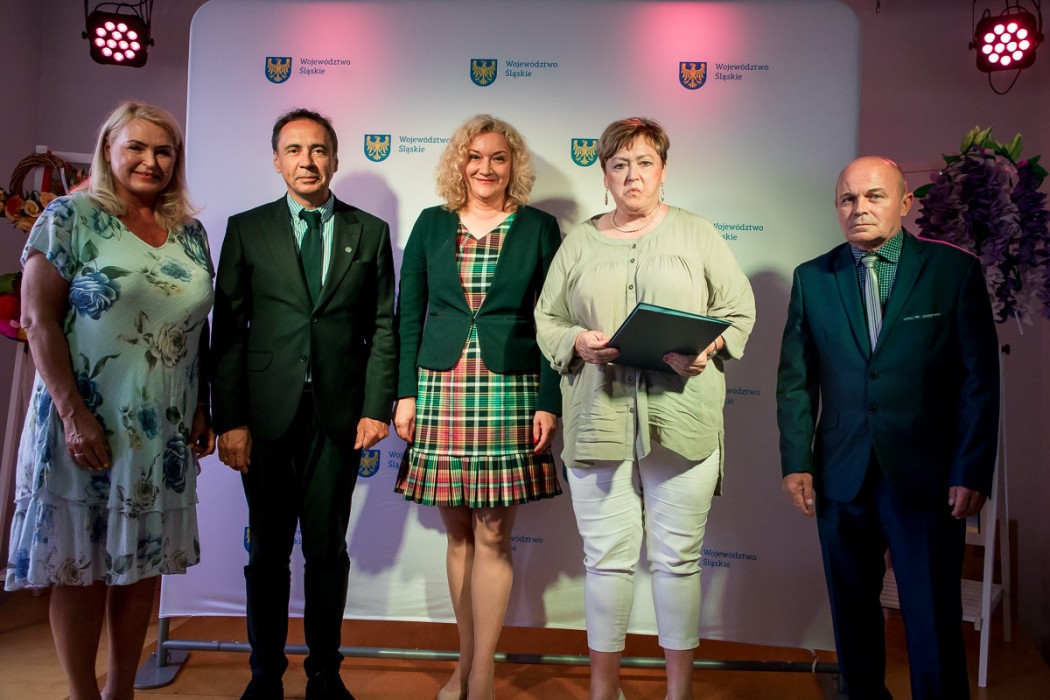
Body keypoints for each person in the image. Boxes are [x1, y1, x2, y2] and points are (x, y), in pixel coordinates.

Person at [534, 117, 755, 700]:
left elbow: (738, 310)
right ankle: (604, 692)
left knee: (677, 560)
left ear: (663, 170)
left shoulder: (698, 233)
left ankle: (677, 693)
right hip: (598, 417)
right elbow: (547, 318)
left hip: (682, 418)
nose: (632, 175)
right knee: (605, 560)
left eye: (644, 163)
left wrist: (707, 347)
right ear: (604, 175)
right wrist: (576, 341)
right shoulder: (579, 242)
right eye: (619, 165)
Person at [5, 101, 215, 700]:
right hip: (86, 423)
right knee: (80, 568)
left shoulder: (190, 232)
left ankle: (121, 690)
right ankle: (82, 693)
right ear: (107, 150)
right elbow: (37, 321)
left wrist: (202, 406)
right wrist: (73, 416)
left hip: (160, 430)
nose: (151, 161)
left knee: (141, 566)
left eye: (164, 151)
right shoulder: (69, 216)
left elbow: (197, 327)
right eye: (137, 147)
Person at [776, 156, 1000, 699]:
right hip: (841, 473)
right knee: (851, 612)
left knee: (932, 613)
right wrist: (797, 462)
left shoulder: (952, 272)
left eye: (874, 196)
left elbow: (979, 382)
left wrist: (971, 469)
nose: (859, 208)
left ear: (905, 203)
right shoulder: (812, 278)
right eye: (848, 198)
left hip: (928, 476)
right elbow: (795, 381)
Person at [211, 108, 397, 700]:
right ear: (276, 161)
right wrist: (230, 420)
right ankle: (264, 676)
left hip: (338, 417)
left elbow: (383, 326)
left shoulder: (369, 232)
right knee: (267, 553)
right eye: (294, 150)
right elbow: (228, 332)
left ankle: (325, 674)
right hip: (266, 416)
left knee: (326, 551)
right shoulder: (248, 229)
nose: (307, 161)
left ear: (334, 159)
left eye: (318, 150)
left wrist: (376, 407)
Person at [393, 114, 562, 700]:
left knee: (493, 536)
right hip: (440, 387)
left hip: (511, 388)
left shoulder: (539, 227)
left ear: (513, 166)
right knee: (458, 536)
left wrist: (548, 400)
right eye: (475, 156)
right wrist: (405, 393)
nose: (485, 168)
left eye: (498, 157)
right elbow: (408, 315)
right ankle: (463, 664)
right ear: (459, 163)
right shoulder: (430, 224)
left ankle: (482, 673)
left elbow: (553, 320)